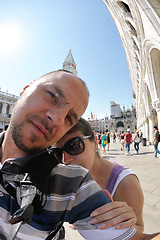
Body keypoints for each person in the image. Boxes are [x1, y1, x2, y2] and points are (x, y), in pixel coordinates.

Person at [0, 70, 159, 240]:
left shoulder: (71, 185)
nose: (57, 118)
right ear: (25, 89)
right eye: (52, 96)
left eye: (69, 118)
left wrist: (120, 221)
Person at [56, 118, 144, 232]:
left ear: (95, 142)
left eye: (74, 145)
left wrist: (120, 224)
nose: (65, 160)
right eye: (57, 153)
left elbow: (140, 230)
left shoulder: (125, 183)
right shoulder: (72, 180)